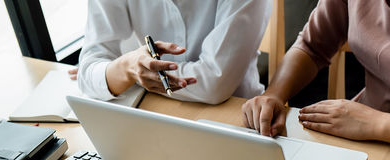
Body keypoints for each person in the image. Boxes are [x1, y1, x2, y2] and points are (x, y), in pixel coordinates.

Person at [242, 0, 390, 143]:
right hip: (363, 135)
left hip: (366, 127)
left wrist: (377, 124)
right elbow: (311, 46)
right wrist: (274, 95)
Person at [77, 0, 271, 105]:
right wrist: (129, 67)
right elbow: (87, 73)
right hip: (152, 115)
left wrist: (127, 73)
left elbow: (215, 83)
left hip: (234, 116)